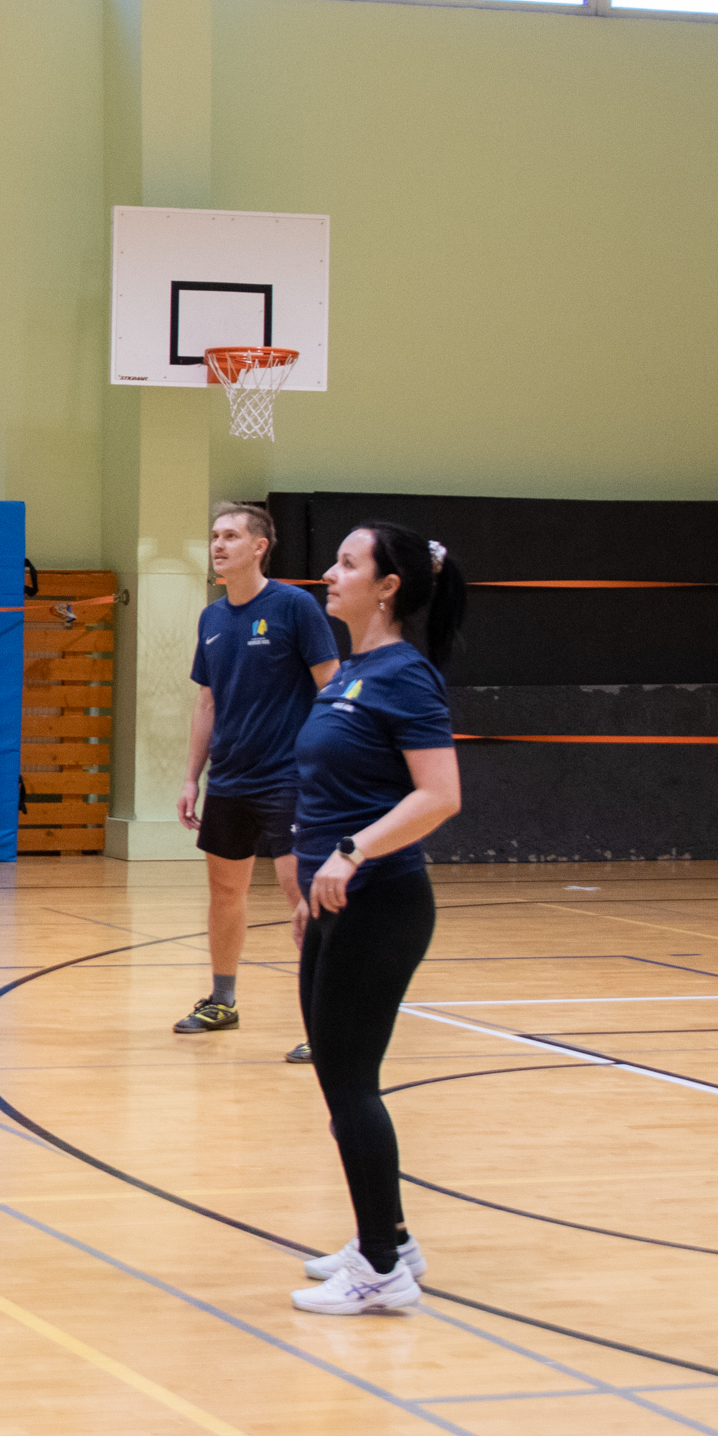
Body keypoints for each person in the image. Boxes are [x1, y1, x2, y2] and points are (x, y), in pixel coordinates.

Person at [284, 523, 463, 1317]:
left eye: (348, 563)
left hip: (381, 902)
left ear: (387, 586)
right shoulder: (352, 670)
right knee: (338, 1080)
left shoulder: (405, 677)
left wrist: (352, 852)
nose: (329, 573)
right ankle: (386, 1234)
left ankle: (383, 1273)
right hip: (333, 903)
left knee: (352, 1085)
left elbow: (440, 795)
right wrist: (310, 885)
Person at [173, 502, 339, 1037]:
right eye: (214, 536)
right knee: (225, 894)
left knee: (303, 895)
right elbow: (206, 703)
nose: (218, 545)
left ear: (259, 546)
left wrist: (327, 765)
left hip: (288, 779)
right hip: (229, 780)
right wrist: (191, 778)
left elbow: (331, 687)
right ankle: (222, 1002)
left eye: (230, 536)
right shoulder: (212, 618)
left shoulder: (294, 606)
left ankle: (326, 1024)